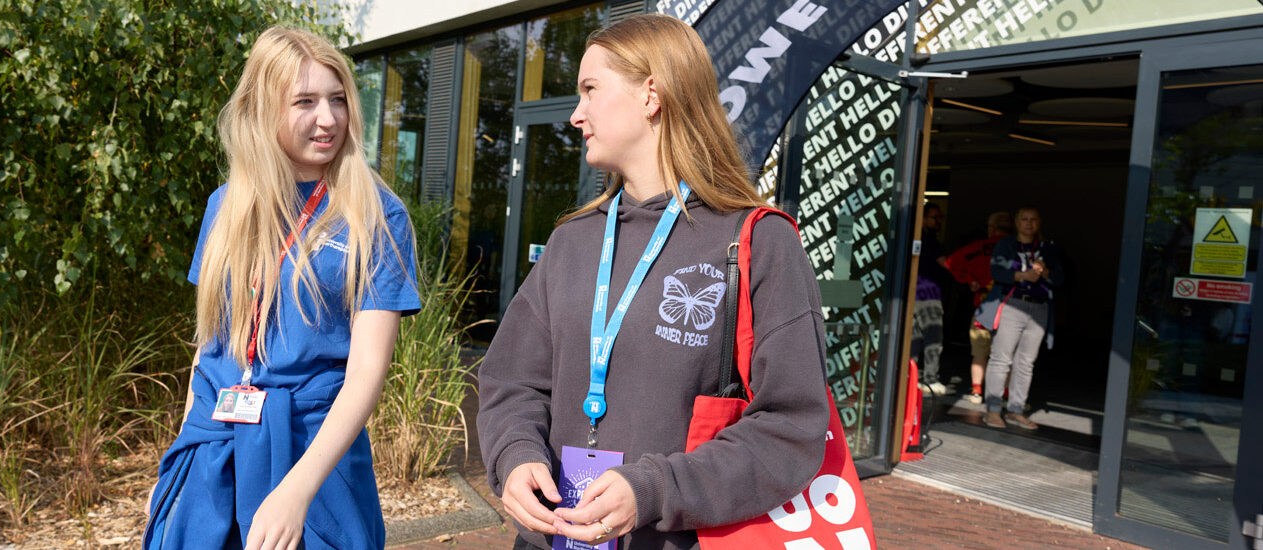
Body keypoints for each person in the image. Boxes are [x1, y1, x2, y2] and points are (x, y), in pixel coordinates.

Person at [476, 14, 829, 550]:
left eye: (590, 90)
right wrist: (515, 454)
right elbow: (512, 383)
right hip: (556, 540)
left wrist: (654, 489)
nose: (576, 115)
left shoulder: (757, 242)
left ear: (651, 94)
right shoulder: (572, 242)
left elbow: (791, 428)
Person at [143, 27, 420, 550]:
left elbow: (365, 373)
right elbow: (210, 348)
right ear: (263, 108)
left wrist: (296, 492)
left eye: (338, 100)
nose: (328, 118)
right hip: (212, 454)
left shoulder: (378, 216)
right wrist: (180, 452)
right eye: (306, 101)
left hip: (313, 459)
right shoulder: (224, 206)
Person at [981, 206, 1062, 430]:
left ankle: (1016, 410)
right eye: (1024, 219)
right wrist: (1022, 276)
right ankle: (993, 410)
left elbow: (1061, 278)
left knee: (1026, 362)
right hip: (1013, 304)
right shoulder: (1006, 244)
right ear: (1016, 222)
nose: (1028, 223)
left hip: (1039, 308)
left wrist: (1045, 271)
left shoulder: (1048, 248)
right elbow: (996, 272)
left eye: (1033, 219)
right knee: (1001, 358)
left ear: (1039, 222)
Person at [945, 211, 1013, 404]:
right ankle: (1005, 394)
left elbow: (951, 263)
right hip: (1012, 309)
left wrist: (970, 279)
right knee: (1007, 355)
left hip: (984, 307)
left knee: (979, 352)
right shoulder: (1018, 249)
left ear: (991, 228)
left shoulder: (978, 247)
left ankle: (976, 392)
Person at [913, 202, 953, 395]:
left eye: (940, 217)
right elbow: (947, 264)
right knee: (932, 338)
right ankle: (930, 379)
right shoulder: (929, 241)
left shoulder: (918, 238)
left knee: (916, 339)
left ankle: (913, 378)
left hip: (916, 296)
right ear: (923, 218)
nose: (938, 221)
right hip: (928, 296)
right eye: (934, 217)